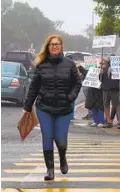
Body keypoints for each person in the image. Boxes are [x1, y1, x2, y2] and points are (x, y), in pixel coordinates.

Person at [23, 35, 82, 180]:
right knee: (47, 137)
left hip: (64, 108)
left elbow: (77, 83)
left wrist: (70, 98)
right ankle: (50, 170)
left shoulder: (70, 64)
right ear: (48, 47)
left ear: (61, 46)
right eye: (51, 44)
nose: (54, 46)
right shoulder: (41, 64)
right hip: (44, 107)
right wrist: (27, 106)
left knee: (61, 140)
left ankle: (62, 158)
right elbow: (34, 87)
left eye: (57, 44)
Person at [99, 58, 120, 128]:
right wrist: (101, 73)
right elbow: (100, 79)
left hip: (114, 89)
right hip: (106, 89)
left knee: (117, 105)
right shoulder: (104, 68)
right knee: (106, 105)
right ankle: (108, 121)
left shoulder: (117, 68)